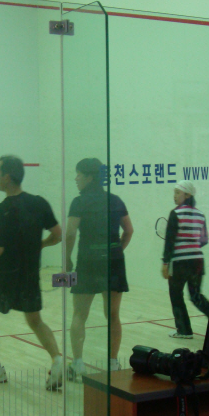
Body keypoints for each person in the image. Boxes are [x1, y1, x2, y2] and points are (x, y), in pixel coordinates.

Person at [0, 155, 64, 390]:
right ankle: (57, 360)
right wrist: (40, 245)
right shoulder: (39, 203)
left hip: (3, 276)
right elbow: (58, 234)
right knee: (35, 320)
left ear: (7, 177)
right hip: (29, 274)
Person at [65, 158, 133, 380]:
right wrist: (116, 251)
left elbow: (70, 233)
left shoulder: (79, 202)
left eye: (79, 174)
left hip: (88, 262)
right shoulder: (115, 200)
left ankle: (78, 365)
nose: (76, 178)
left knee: (79, 314)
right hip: (113, 261)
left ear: (89, 177)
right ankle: (113, 363)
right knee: (112, 315)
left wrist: (67, 260)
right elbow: (129, 230)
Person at [161, 180, 209, 338]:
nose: (174, 196)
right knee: (196, 296)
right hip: (198, 261)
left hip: (180, 263)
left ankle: (184, 330)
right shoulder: (200, 214)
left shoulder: (175, 213)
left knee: (176, 295)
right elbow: (204, 240)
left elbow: (169, 241)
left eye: (177, 193)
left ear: (187, 195)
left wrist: (165, 262)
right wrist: (192, 245)